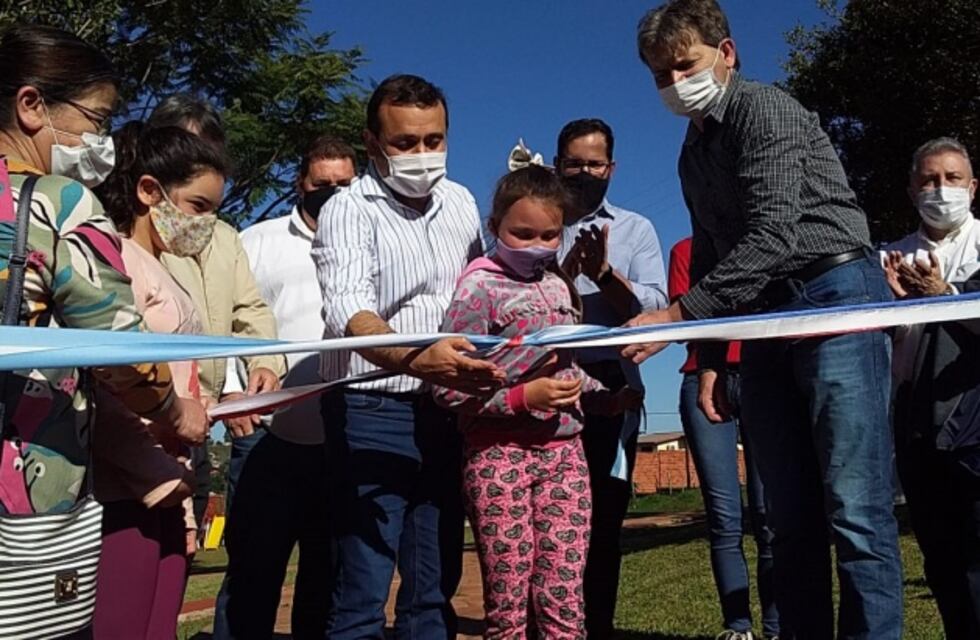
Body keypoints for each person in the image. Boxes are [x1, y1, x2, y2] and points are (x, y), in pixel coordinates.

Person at [628, 2, 903, 637]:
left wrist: (674, 316)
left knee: (856, 509)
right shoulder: (691, 153)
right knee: (785, 513)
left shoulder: (765, 109)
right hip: (760, 320)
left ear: (726, 53)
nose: (674, 83)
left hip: (833, 292)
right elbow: (711, 256)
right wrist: (712, 357)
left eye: (685, 65)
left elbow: (773, 236)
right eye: (659, 75)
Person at [0, 24, 205, 638]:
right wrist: (175, 409)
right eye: (96, 119)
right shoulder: (58, 204)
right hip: (29, 496)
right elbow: (122, 350)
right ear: (31, 105)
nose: (101, 141)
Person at [312, 73, 502, 639]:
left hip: (446, 410)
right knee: (363, 584)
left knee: (433, 582)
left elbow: (485, 285)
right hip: (371, 409)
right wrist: (420, 359)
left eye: (434, 140)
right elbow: (350, 311)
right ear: (372, 145)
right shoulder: (348, 209)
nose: (423, 155)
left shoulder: (463, 202)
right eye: (405, 144)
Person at [434, 165, 642, 640]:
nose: (536, 245)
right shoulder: (477, 289)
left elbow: (563, 367)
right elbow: (448, 388)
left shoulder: (560, 286)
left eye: (549, 235)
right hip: (497, 458)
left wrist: (602, 400)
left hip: (565, 456)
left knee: (564, 595)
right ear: (495, 229)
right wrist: (523, 397)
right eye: (521, 233)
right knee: (508, 600)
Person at [213, 136, 357, 639]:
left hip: (343, 436)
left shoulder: (368, 241)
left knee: (326, 577)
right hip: (265, 432)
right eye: (322, 184)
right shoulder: (260, 240)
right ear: (302, 183)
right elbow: (234, 318)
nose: (333, 193)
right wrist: (233, 393)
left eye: (344, 184)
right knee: (253, 570)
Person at [90, 122, 228, 638]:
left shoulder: (165, 271)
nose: (207, 223)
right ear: (149, 191)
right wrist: (152, 472)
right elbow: (106, 381)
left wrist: (185, 504)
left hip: (169, 486)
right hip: (126, 491)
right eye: (198, 207)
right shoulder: (117, 261)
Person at [552, 117, 667, 639]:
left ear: (612, 168)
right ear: (557, 165)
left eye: (594, 163)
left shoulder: (636, 229)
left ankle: (596, 625)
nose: (584, 171)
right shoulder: (533, 222)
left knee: (602, 521)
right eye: (574, 162)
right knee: (548, 520)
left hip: (610, 385)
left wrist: (603, 275)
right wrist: (559, 276)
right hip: (546, 382)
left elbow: (651, 310)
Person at [152, 96, 286, 539]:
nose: (199, 164)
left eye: (210, 153)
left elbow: (250, 310)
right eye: (186, 151)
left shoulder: (226, 237)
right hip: (147, 416)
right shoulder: (128, 227)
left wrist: (265, 363)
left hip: (200, 426)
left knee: (181, 548)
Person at [883, 138, 980, 638]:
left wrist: (946, 298)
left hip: (975, 421)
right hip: (916, 425)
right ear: (910, 188)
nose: (940, 189)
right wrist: (893, 310)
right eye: (928, 179)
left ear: (973, 187)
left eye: (952, 178)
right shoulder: (889, 258)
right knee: (939, 556)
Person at [669, 237, 777, 640]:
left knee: (770, 515)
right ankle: (737, 627)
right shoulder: (686, 250)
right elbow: (688, 319)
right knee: (724, 517)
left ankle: (777, 626)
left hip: (762, 374)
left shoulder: (766, 243)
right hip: (702, 377)